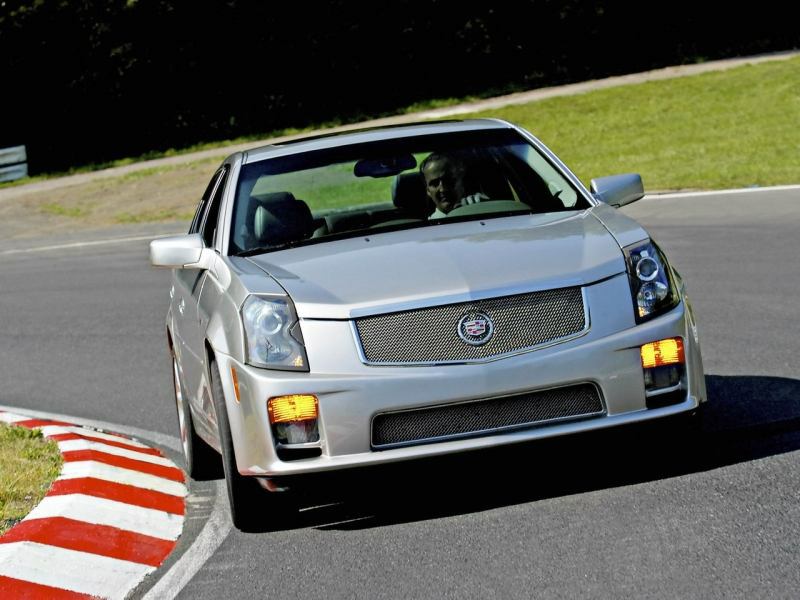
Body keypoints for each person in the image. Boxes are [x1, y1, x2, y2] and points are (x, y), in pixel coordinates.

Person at [420, 152, 489, 218]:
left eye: (448, 180)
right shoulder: (429, 228)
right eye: (434, 184)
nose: (443, 189)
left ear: (462, 181)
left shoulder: (480, 209)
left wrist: (488, 207)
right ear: (428, 191)